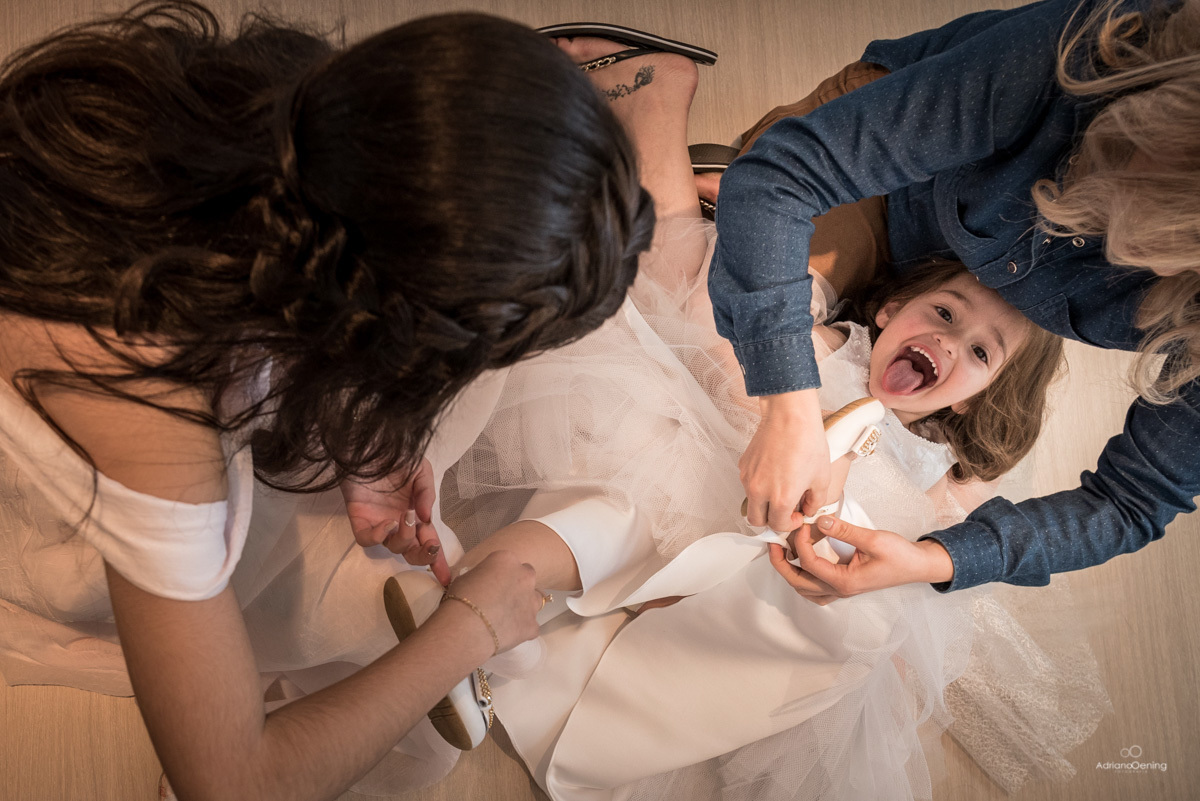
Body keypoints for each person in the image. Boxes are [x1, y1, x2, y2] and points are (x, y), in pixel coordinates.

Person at [388, 32, 1105, 800]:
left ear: (972, 396)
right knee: (629, 497)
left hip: (760, 549)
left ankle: (495, 621)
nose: (947, 343)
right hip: (702, 445)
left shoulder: (929, 451)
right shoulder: (850, 341)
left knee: (797, 612)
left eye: (978, 355)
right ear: (891, 308)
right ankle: (488, 590)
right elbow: (761, 349)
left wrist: (909, 548)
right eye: (941, 315)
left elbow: (949, 533)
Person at [0, 2, 655, 799]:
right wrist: (469, 630)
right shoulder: (149, 397)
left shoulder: (293, 103)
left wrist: (358, 430)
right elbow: (231, 781)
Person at [709, 0, 1200, 598]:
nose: (1153, 264)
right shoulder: (1077, 53)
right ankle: (662, 123)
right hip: (889, 186)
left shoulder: (946, 446)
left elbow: (1131, 503)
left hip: (906, 278)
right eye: (1161, 224)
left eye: (982, 357)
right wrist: (788, 406)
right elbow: (781, 178)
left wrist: (934, 560)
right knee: (717, 308)